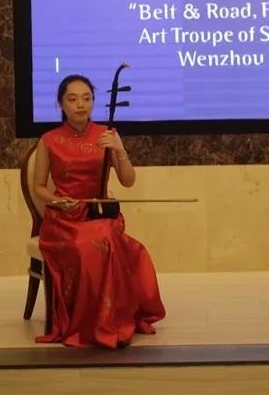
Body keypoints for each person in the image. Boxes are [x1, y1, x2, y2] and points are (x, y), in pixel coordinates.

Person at [33, 74, 165, 348]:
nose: (80, 105)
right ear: (61, 104)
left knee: (118, 243)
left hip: (100, 213)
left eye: (87, 98)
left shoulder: (106, 135)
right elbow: (39, 188)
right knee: (93, 242)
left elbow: (128, 181)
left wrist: (120, 150)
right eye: (73, 99)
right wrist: (58, 201)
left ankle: (112, 320)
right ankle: (92, 325)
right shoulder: (49, 140)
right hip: (64, 219)